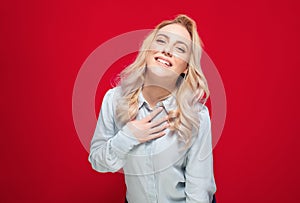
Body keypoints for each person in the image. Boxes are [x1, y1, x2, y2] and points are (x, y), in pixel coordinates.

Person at [89, 14, 217, 203]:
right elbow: (98, 162)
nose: (167, 51)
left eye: (180, 48)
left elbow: (199, 188)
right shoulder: (114, 100)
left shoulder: (197, 115)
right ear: (147, 51)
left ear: (186, 67)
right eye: (161, 41)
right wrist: (128, 136)